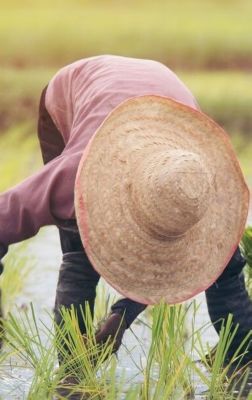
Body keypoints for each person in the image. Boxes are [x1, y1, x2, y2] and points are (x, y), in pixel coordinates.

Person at [0, 55, 251, 385]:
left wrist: (122, 315)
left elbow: (169, 259)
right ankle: (73, 372)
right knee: (78, 247)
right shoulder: (73, 174)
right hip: (76, 88)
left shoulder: (198, 180)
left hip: (167, 101)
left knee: (224, 260)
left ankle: (240, 358)